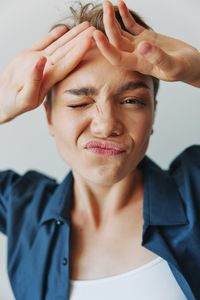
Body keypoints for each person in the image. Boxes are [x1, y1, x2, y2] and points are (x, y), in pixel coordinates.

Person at [0, 0, 200, 299]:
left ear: (153, 113)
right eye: (79, 103)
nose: (107, 125)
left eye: (132, 101)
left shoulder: (194, 190)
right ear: (49, 116)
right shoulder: (22, 208)